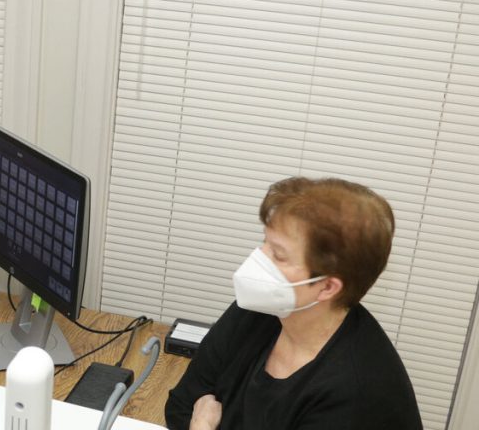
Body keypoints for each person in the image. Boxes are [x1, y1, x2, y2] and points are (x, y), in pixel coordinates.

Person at [165, 177, 422, 430]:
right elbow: (181, 405)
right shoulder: (259, 309)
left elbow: (197, 414)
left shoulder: (357, 395)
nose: (258, 261)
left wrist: (202, 426)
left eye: (278, 255)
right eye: (264, 243)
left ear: (327, 287)